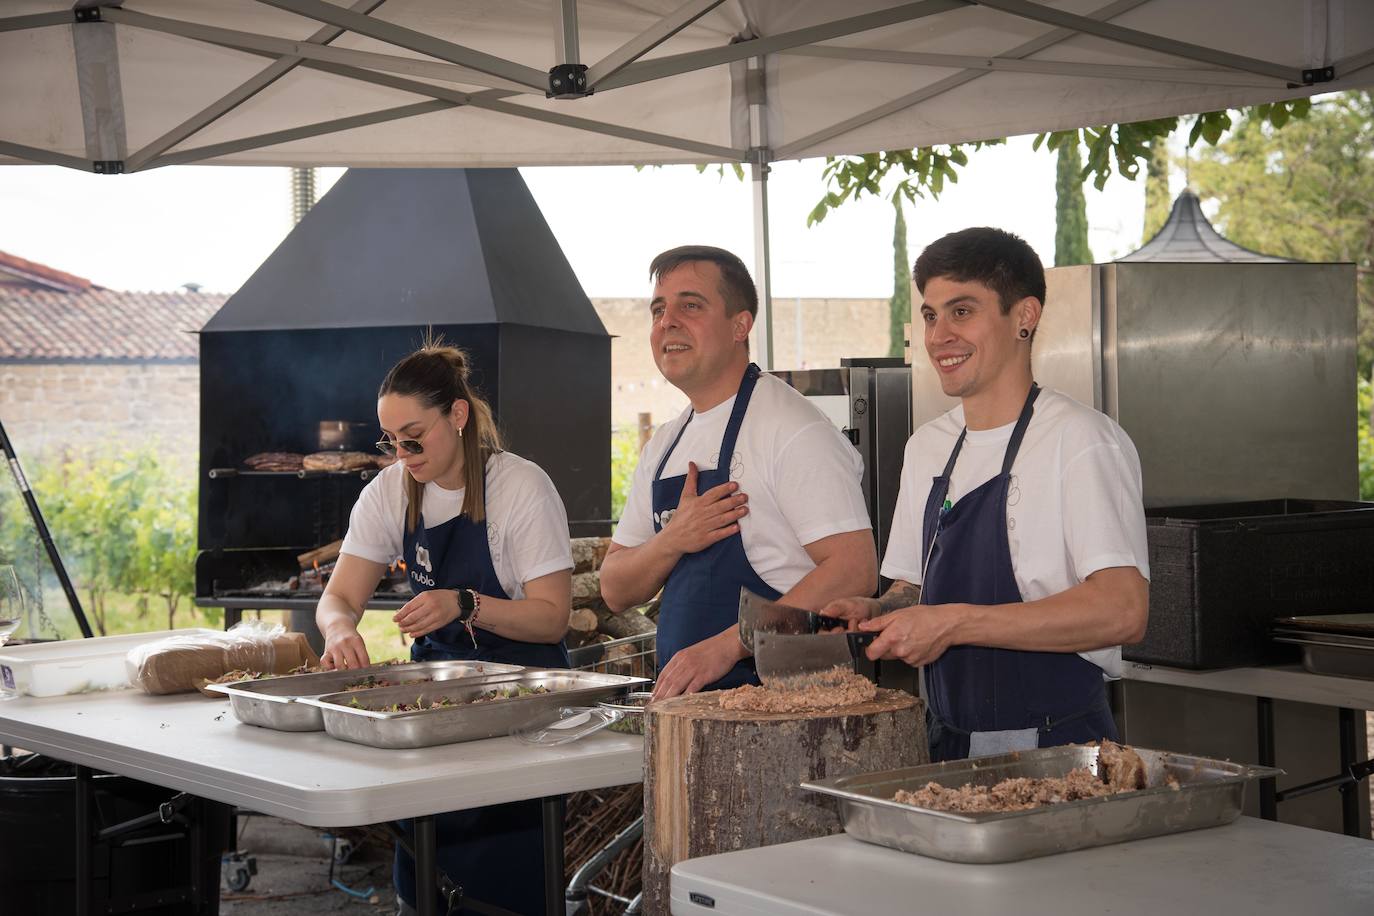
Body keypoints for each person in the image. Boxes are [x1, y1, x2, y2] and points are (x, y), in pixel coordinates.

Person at [823, 227, 1149, 762]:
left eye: (962, 311)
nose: (939, 335)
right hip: (946, 747)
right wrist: (877, 608)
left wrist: (952, 622)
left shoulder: (1080, 440)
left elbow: (1123, 610)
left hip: (1060, 749)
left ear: (1024, 316)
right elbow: (916, 587)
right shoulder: (928, 447)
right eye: (931, 315)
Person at [315, 341, 573, 916]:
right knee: (425, 861)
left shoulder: (520, 488)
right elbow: (339, 597)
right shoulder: (389, 491)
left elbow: (552, 615)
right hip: (437, 698)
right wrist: (338, 632)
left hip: (521, 700)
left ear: (457, 416)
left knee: (503, 872)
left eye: (414, 437)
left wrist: (466, 603)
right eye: (390, 442)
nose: (403, 453)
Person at [600, 245, 877, 699]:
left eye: (690, 305)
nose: (667, 321)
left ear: (740, 325)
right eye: (658, 309)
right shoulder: (664, 445)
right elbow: (614, 588)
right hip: (693, 710)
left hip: (789, 705)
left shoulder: (790, 428)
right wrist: (674, 539)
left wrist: (729, 646)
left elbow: (855, 569)